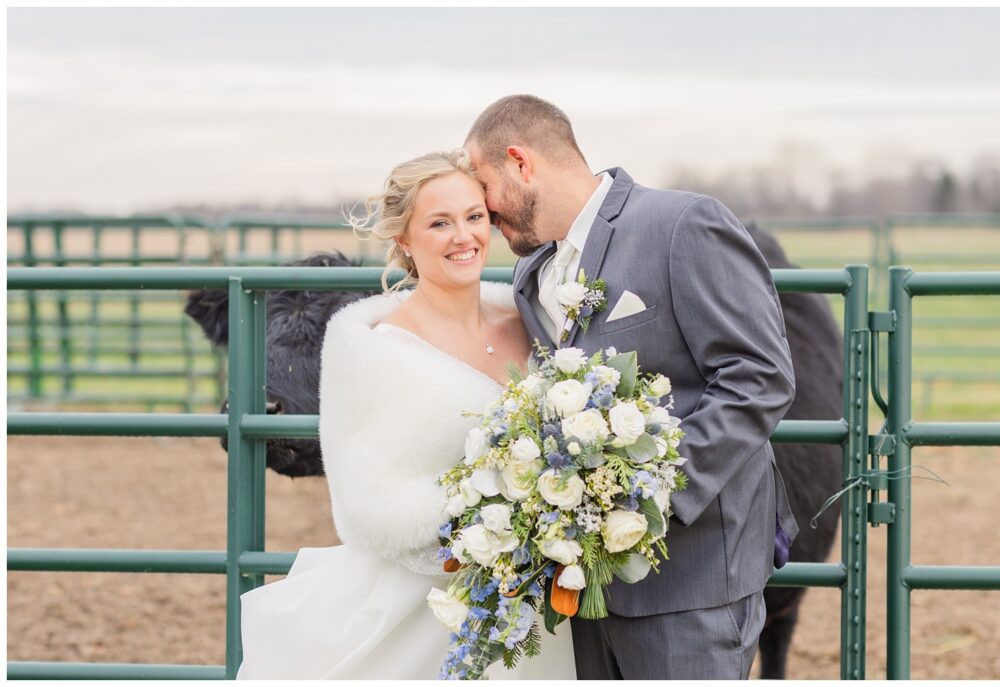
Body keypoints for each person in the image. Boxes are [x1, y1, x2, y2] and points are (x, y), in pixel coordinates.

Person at [465, 94, 800, 680]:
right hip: (588, 588)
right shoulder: (529, 274)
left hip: (693, 574)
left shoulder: (683, 223)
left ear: (520, 162)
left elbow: (759, 376)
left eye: (484, 186)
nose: (485, 212)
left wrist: (644, 497)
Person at [235, 150, 575, 679]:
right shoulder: (374, 349)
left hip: (546, 604)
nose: (463, 237)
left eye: (474, 217)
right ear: (404, 241)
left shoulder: (531, 320)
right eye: (439, 223)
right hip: (431, 612)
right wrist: (497, 529)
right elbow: (368, 509)